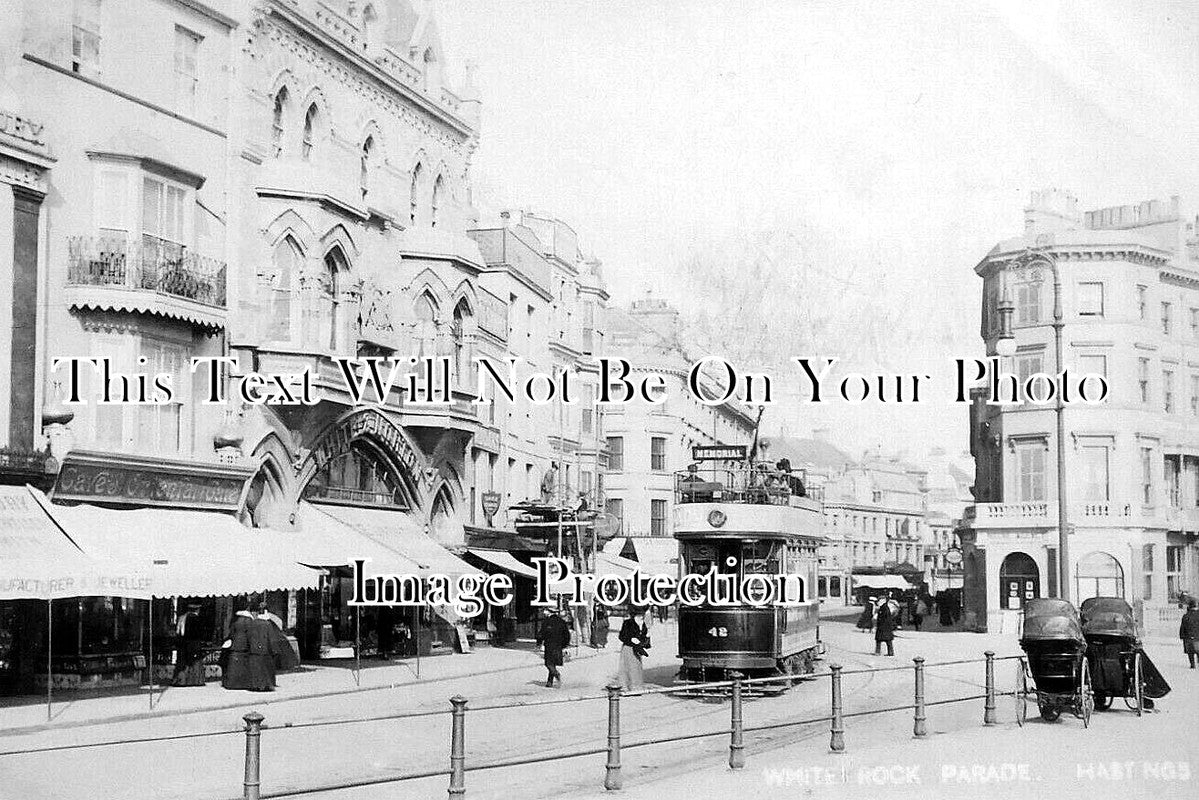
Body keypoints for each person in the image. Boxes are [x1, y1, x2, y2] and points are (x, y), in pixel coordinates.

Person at [222, 598, 279, 691]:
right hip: (251, 647)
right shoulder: (252, 621)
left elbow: (232, 632)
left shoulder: (236, 619)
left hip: (241, 646)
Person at [172, 603, 207, 687]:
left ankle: (180, 680)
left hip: (183, 644)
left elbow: (178, 633)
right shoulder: (197, 619)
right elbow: (199, 633)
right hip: (194, 644)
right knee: (194, 662)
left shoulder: (182, 618)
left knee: (183, 662)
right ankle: (194, 681)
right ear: (197, 609)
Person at [615, 609, 650, 690]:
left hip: (637, 649)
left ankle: (636, 686)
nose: (641, 616)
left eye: (642, 614)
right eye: (639, 614)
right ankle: (625, 686)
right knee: (627, 667)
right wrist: (630, 639)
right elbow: (622, 636)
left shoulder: (643, 624)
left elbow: (645, 638)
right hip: (628, 648)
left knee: (636, 667)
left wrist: (646, 639)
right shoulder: (628, 623)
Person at [536, 608, 572, 687]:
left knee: (548, 663)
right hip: (558, 645)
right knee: (553, 662)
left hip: (549, 645)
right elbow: (567, 634)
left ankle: (556, 674)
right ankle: (550, 682)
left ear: (549, 612)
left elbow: (541, 633)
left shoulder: (547, 622)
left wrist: (539, 643)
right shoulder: (561, 621)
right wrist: (564, 644)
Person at [1180, 599, 1199, 669]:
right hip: (1198, 638)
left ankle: (1192, 664)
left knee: (1190, 652)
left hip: (1188, 638)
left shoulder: (1185, 616)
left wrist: (1182, 636)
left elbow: (1182, 627)